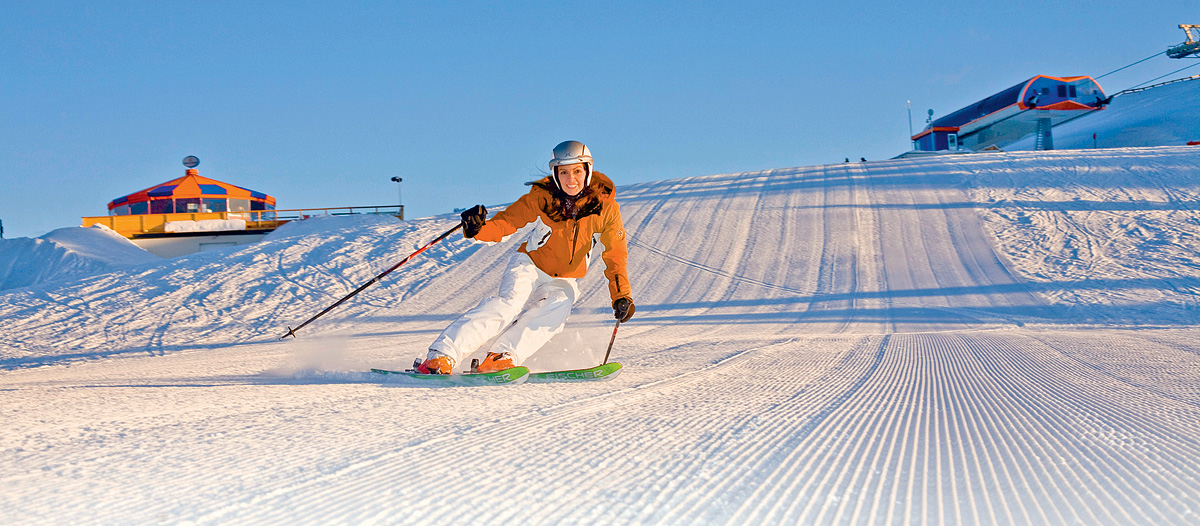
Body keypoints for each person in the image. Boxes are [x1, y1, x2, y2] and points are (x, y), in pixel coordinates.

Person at [417, 140, 635, 374]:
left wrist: (621, 295)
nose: (571, 179)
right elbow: (507, 222)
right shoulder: (542, 197)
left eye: (577, 171)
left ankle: (501, 357)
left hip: (565, 278)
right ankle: (442, 355)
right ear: (555, 173)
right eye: (563, 172)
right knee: (508, 304)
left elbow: (615, 254)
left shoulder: (605, 208)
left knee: (558, 309)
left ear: (588, 171)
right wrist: (478, 228)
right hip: (530, 265)